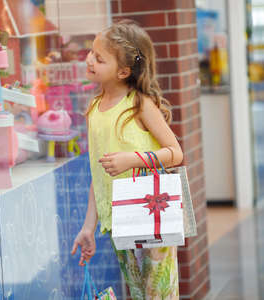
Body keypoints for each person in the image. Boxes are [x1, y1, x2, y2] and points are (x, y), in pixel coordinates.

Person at [71, 20, 184, 300]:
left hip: (151, 215)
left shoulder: (139, 104)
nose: (89, 60)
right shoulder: (95, 109)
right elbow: (99, 177)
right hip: (118, 221)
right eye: (91, 53)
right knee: (136, 294)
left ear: (123, 71)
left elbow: (176, 153)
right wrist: (89, 227)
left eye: (99, 58)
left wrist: (132, 160)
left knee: (158, 295)